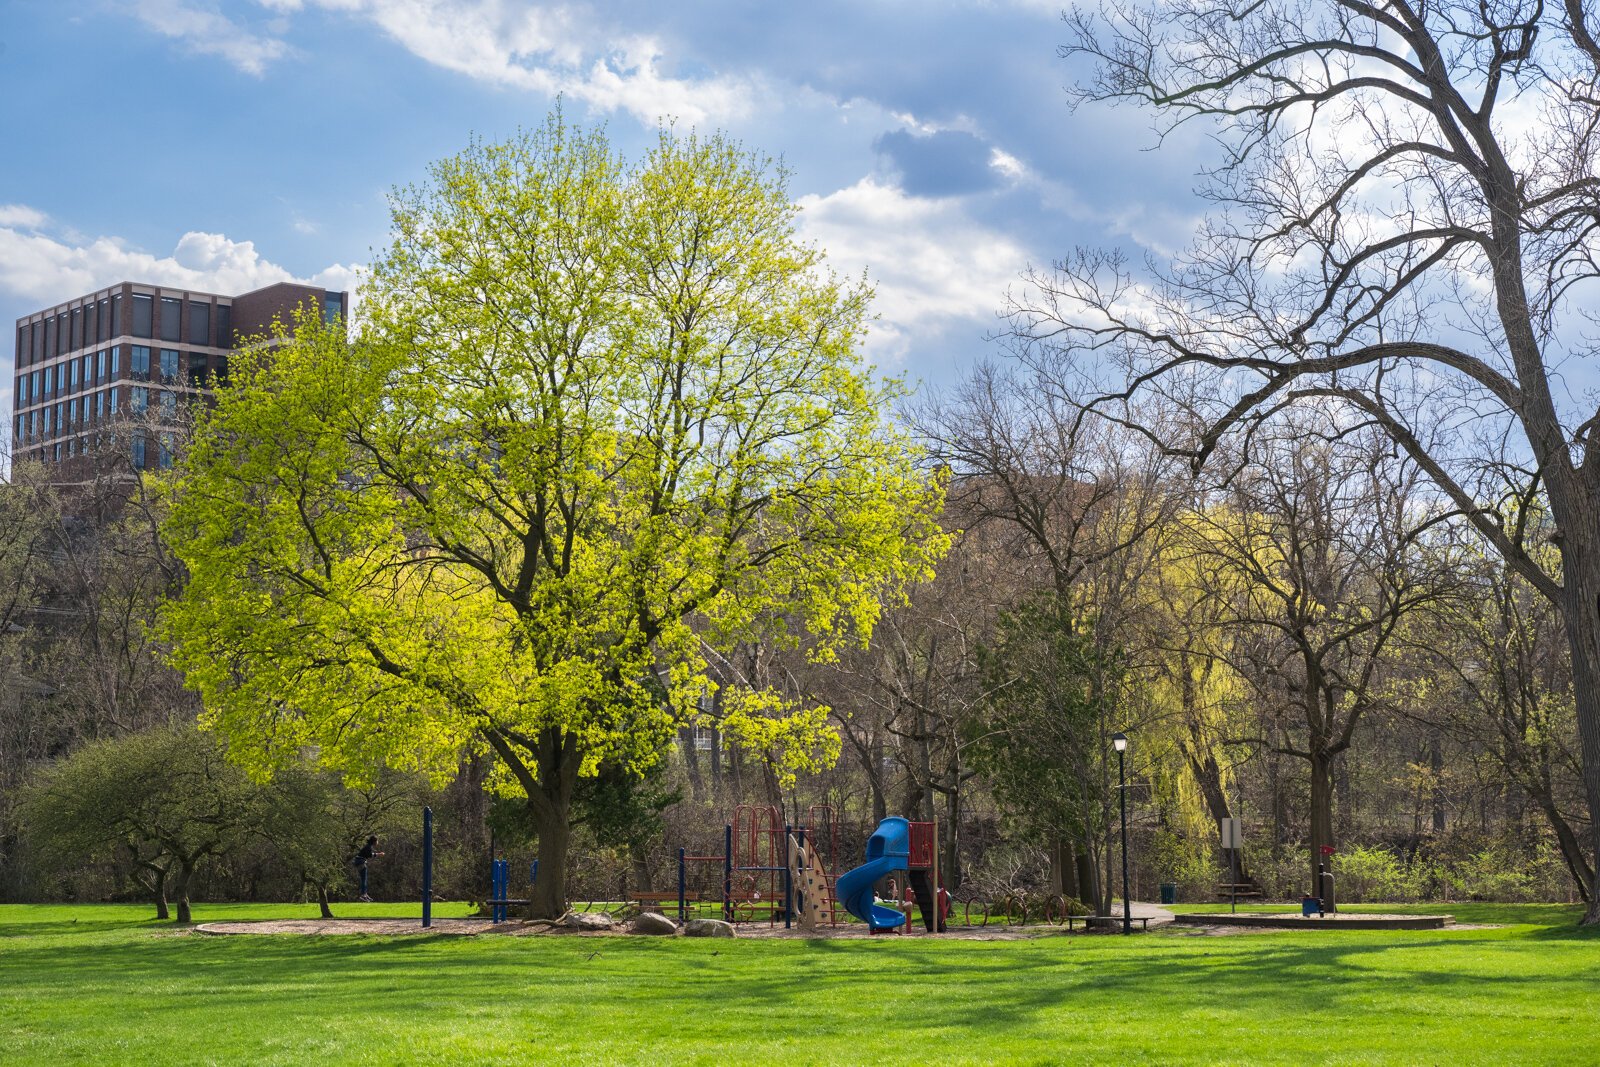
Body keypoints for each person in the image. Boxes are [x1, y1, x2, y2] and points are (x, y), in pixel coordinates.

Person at [352, 836, 383, 902]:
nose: (377, 842)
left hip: (359, 862)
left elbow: (368, 854)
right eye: (377, 841)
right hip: (361, 862)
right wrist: (379, 854)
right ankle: (363, 895)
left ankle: (365, 894)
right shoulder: (368, 847)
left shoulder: (368, 846)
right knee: (364, 879)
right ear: (374, 841)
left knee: (364, 879)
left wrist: (377, 854)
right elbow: (369, 855)